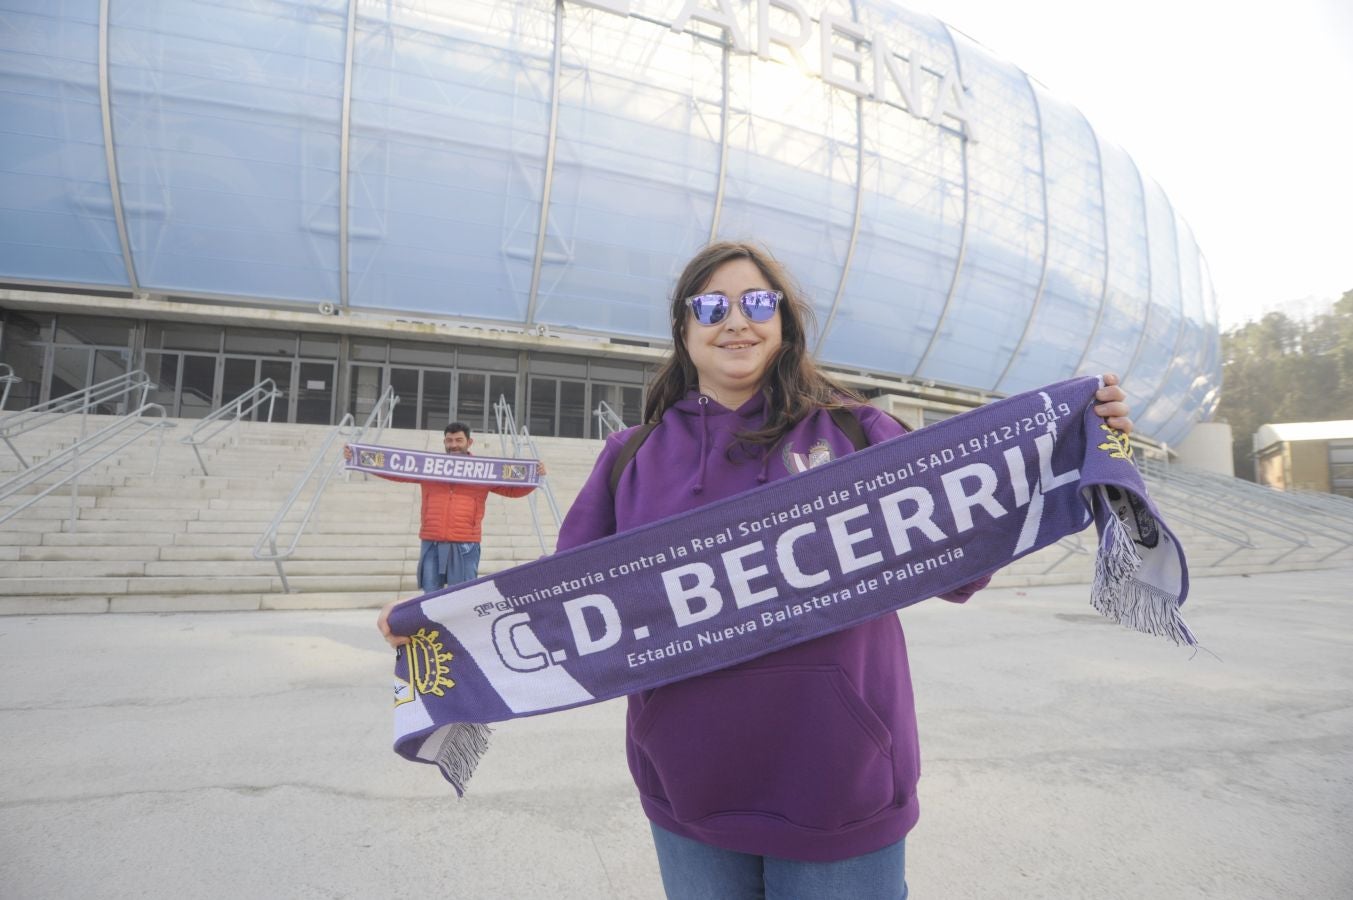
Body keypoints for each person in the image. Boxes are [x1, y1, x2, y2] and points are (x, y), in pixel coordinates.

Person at [377, 241, 1134, 899]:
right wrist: (439, 627)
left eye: (755, 301)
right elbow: (563, 604)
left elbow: (959, 564)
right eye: (710, 306)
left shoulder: (855, 432)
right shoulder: (629, 458)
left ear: (782, 322)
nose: (734, 319)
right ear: (683, 330)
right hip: (689, 792)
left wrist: (1090, 441)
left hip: (842, 786)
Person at [350, 422, 545, 594]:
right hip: (431, 541)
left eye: (458, 440)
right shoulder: (429, 467)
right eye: (449, 440)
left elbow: (512, 491)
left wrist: (534, 479)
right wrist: (359, 459)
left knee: (462, 596)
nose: (453, 445)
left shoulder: (484, 469)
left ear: (469, 442)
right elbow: (395, 471)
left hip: (465, 544)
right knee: (430, 593)